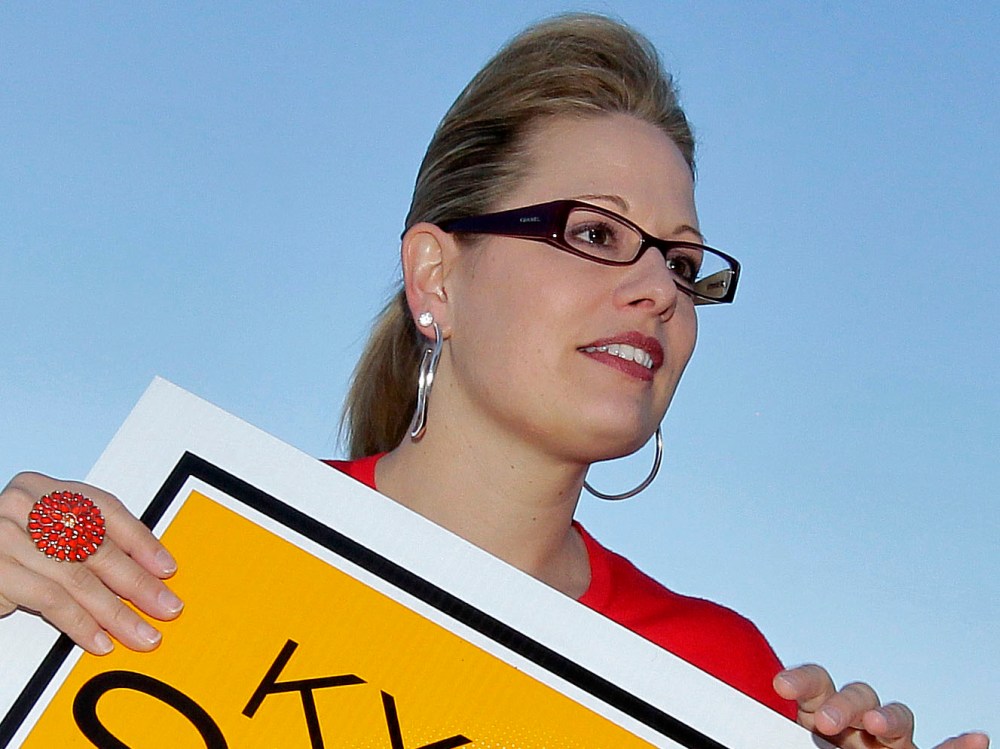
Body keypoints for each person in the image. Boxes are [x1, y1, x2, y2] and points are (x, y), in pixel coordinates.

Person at [0, 13, 988, 749]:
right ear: (437, 276)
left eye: (682, 264)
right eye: (595, 233)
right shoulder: (170, 559)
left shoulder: (725, 674)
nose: (656, 288)